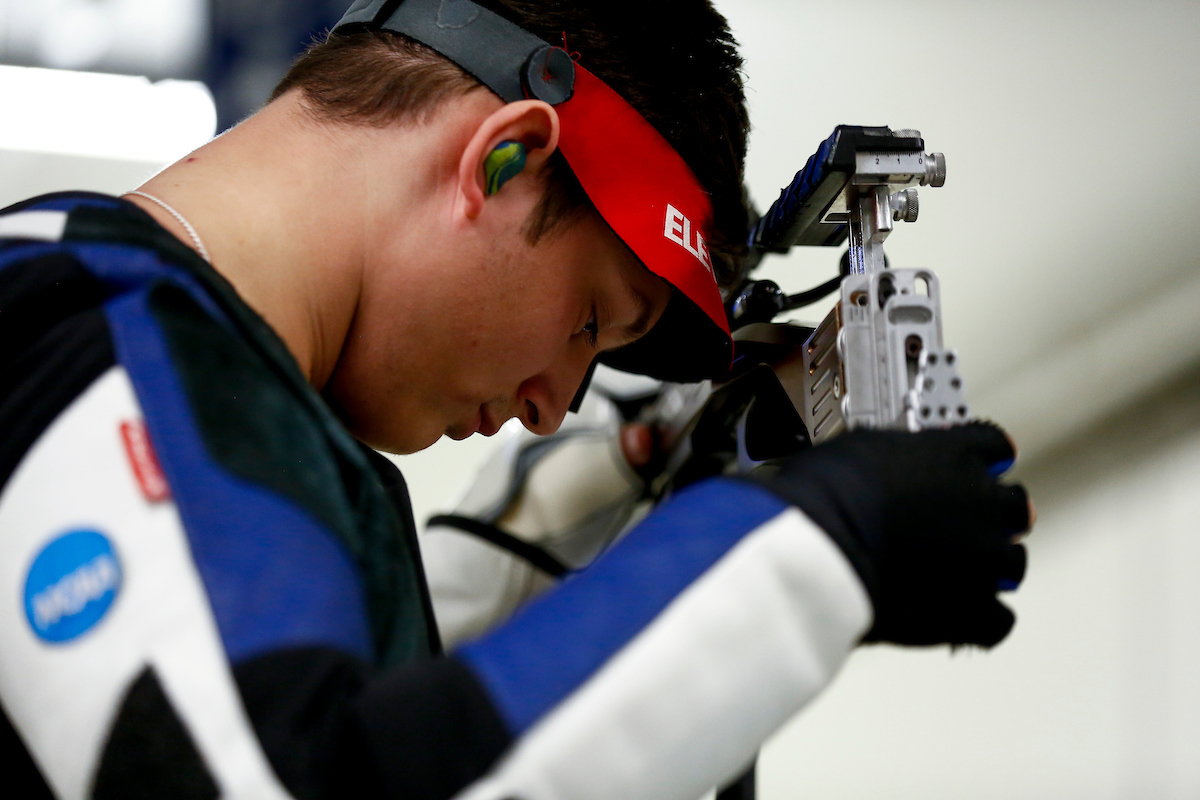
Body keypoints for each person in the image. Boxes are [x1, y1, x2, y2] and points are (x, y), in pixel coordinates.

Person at [0, 1, 1033, 799]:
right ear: (505, 157)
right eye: (592, 319)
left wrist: (531, 546)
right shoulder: (79, 321)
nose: (550, 408)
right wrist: (807, 544)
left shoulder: (121, 349)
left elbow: (235, 682)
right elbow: (281, 773)